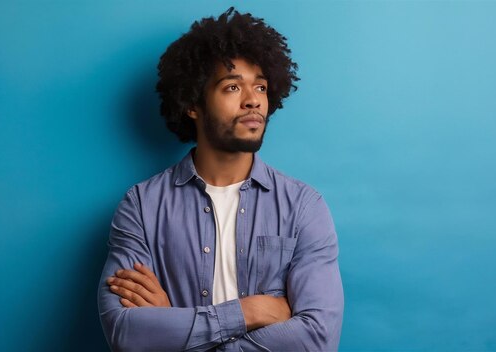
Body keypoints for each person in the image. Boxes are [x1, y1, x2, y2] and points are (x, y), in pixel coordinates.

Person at [98, 7, 343, 351]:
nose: (253, 100)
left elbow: (318, 338)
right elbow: (125, 333)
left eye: (260, 85)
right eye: (232, 87)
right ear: (193, 104)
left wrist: (178, 328)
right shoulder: (142, 206)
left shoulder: (304, 207)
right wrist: (251, 310)